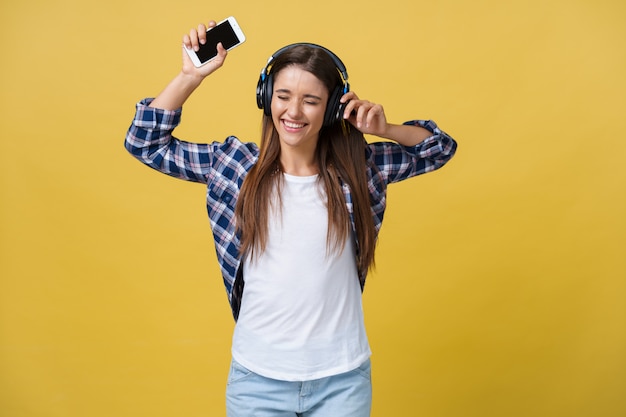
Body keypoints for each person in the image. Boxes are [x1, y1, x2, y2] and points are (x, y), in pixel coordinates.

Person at [125, 19, 457, 417]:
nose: (293, 112)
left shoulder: (360, 169)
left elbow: (439, 149)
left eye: (311, 101)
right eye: (282, 96)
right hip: (257, 382)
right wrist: (188, 77)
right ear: (266, 97)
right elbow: (143, 143)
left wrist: (385, 128)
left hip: (342, 380)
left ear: (334, 107)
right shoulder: (233, 166)